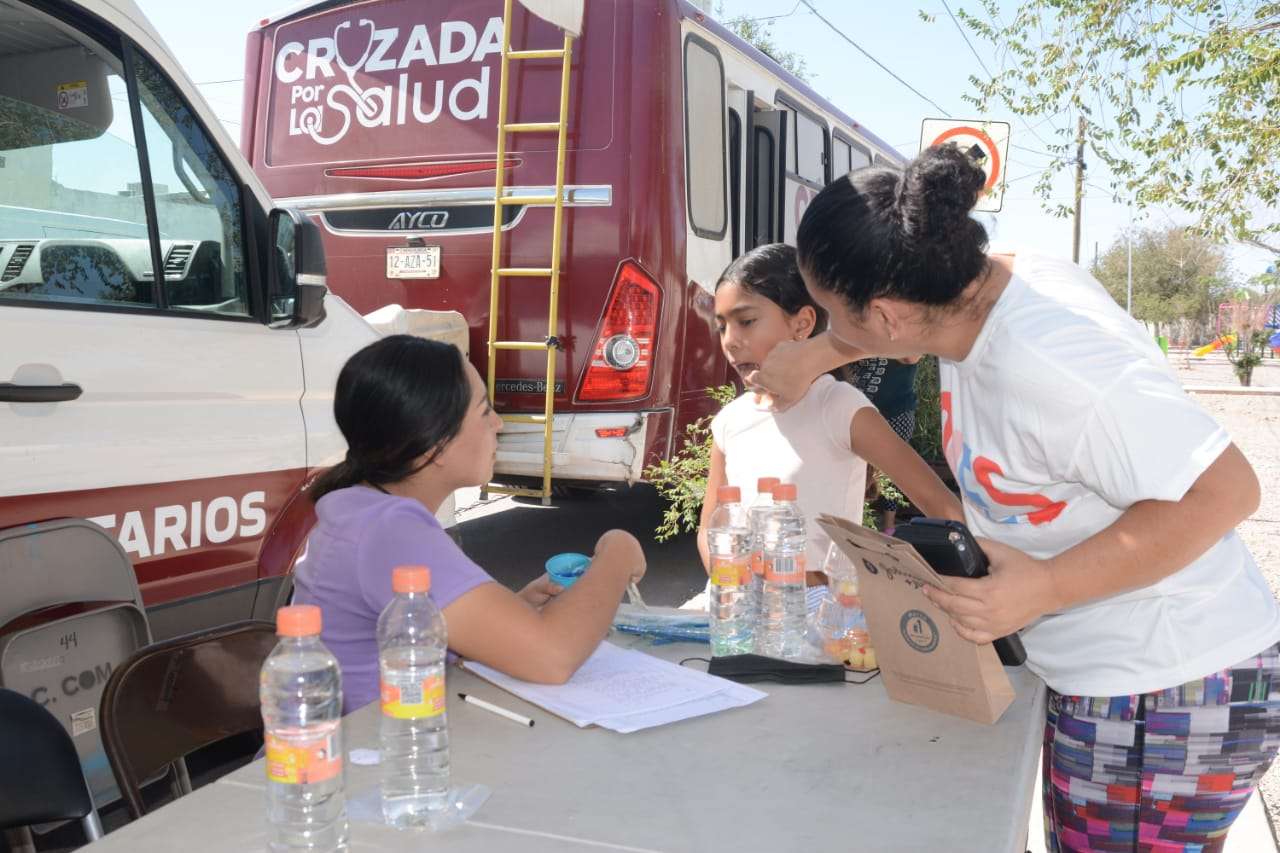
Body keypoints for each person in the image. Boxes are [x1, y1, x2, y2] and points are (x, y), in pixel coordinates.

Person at [747, 143, 1280, 851]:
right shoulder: (975, 284)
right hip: (1142, 679)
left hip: (1162, 687)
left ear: (886, 313)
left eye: (825, 313)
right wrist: (821, 352)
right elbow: (903, 323)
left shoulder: (1052, 368)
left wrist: (1046, 585)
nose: (823, 326)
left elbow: (1226, 489)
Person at [292, 335, 646, 713]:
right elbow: (552, 656)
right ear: (434, 444)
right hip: (370, 758)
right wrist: (619, 552)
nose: (498, 424)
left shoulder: (362, 512)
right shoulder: (390, 529)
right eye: (483, 411)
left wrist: (515, 610)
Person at [698, 243, 961, 581]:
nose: (730, 341)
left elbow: (941, 504)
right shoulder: (730, 422)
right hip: (744, 614)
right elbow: (709, 528)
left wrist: (978, 582)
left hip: (823, 620)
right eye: (721, 326)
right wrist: (728, 586)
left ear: (803, 324)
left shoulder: (837, 406)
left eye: (746, 321)